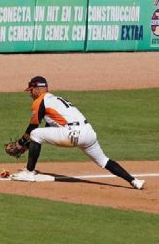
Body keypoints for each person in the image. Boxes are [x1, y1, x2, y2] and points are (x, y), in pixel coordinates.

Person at [9, 76, 145, 190]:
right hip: (89, 132)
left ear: (37, 89)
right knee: (104, 160)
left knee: (36, 133)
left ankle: (29, 172)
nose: (30, 93)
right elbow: (49, 127)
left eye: (31, 90)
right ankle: (134, 181)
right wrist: (28, 146)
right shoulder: (56, 100)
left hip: (72, 134)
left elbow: (33, 127)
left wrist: (20, 143)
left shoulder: (40, 101)